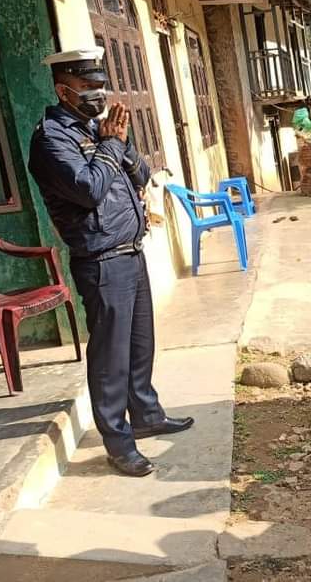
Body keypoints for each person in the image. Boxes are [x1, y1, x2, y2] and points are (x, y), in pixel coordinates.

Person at [29, 48, 193, 477]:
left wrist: (121, 144)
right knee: (110, 359)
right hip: (101, 259)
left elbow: (140, 175)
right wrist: (110, 145)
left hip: (130, 251)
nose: (98, 94)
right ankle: (118, 444)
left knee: (140, 345)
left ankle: (147, 414)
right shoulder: (51, 139)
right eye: (87, 87)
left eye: (100, 85)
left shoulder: (98, 130)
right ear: (63, 90)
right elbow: (88, 190)